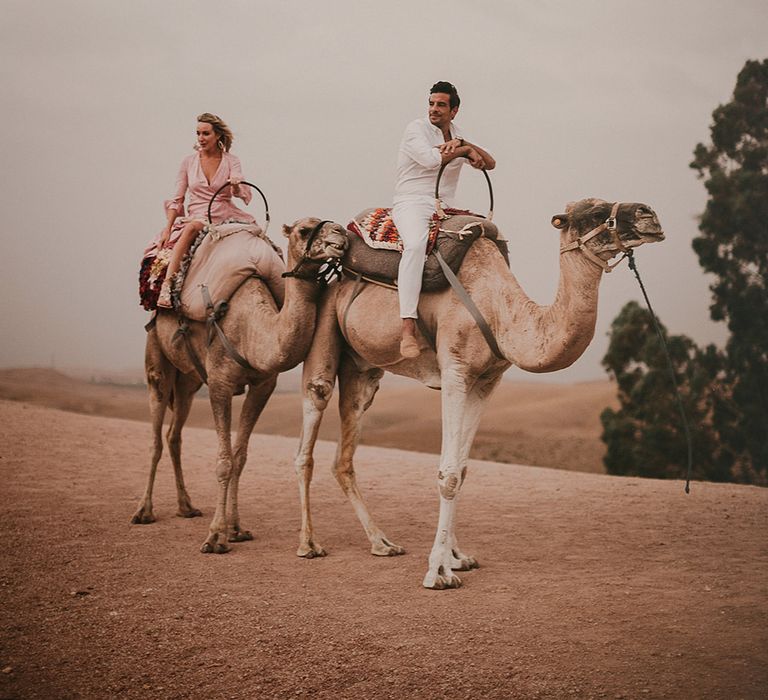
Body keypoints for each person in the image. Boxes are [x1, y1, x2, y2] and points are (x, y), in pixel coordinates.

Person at [392, 81, 496, 358]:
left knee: (486, 237)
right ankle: (407, 327)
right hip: (412, 201)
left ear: (454, 111)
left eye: (440, 105)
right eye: (431, 103)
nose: (434, 110)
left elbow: (491, 163)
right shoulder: (416, 129)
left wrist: (465, 145)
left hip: (446, 206)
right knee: (415, 245)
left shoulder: (458, 135)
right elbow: (429, 160)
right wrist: (463, 150)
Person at [155, 113, 257, 308]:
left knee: (258, 240)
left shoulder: (231, 160)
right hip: (198, 214)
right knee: (192, 227)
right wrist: (167, 228)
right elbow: (177, 198)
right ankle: (167, 286)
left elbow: (240, 191)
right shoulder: (188, 162)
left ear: (217, 135)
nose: (201, 138)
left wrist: (234, 186)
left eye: (206, 134)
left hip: (225, 212)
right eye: (198, 133)